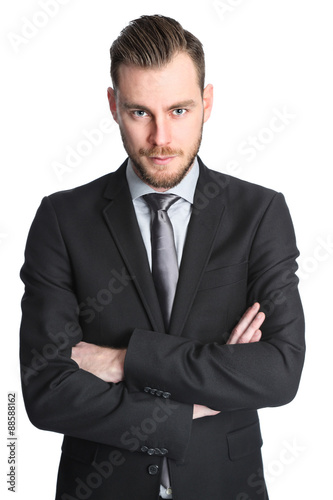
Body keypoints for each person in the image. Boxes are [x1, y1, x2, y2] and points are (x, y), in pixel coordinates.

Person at [20, 14, 305, 500]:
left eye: (178, 111)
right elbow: (47, 390)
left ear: (207, 104)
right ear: (113, 105)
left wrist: (128, 361)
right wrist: (191, 405)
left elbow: (278, 371)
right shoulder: (62, 220)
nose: (161, 139)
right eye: (139, 113)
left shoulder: (260, 214)